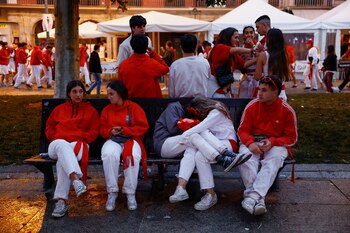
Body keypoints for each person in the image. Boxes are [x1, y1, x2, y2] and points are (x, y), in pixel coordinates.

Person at [153, 97, 251, 210]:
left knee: (197, 143)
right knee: (197, 144)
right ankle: (222, 162)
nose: (196, 115)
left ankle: (185, 189)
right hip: (165, 143)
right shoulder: (174, 107)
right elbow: (176, 128)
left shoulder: (216, 111)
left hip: (225, 143)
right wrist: (190, 128)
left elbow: (200, 127)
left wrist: (188, 130)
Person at [238, 75, 297, 216]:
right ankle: (259, 199)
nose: (259, 93)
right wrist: (250, 143)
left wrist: (274, 142)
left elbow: (292, 138)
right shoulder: (252, 106)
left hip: (275, 144)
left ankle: (252, 197)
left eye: (264, 90)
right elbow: (242, 130)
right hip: (253, 141)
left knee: (274, 159)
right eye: (259, 89)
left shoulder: (287, 111)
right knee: (245, 158)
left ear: (275, 92)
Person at [46, 80, 100, 218]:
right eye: (74, 92)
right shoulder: (59, 110)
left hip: (80, 144)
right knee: (62, 145)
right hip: (57, 145)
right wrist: (56, 137)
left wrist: (81, 136)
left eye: (81, 91)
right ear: (68, 94)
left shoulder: (91, 111)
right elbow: (49, 128)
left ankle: (61, 201)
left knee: (62, 161)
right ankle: (76, 179)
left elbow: (94, 132)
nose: (78, 95)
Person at [99, 80, 149, 211]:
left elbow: (143, 127)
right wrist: (110, 131)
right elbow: (102, 130)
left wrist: (126, 130)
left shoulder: (134, 108)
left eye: (111, 94)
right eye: (108, 94)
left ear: (120, 94)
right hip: (113, 140)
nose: (108, 97)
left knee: (132, 156)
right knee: (109, 154)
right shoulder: (107, 110)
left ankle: (130, 193)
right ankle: (112, 192)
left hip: (132, 140)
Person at [207, 27, 257, 98]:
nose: (237, 40)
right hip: (216, 88)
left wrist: (258, 58)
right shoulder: (220, 47)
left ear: (254, 34)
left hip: (227, 87)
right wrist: (252, 50)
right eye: (236, 38)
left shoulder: (235, 51)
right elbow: (234, 50)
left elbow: (244, 64)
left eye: (251, 32)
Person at [254, 28, 290, 101]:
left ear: (269, 40)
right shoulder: (285, 55)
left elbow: (257, 76)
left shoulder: (263, 55)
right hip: (281, 93)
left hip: (266, 92)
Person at [238, 26, 258, 98]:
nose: (249, 35)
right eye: (246, 33)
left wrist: (252, 45)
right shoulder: (241, 48)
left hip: (257, 79)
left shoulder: (259, 45)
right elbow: (241, 65)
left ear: (254, 34)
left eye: (251, 32)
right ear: (243, 35)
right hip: (246, 78)